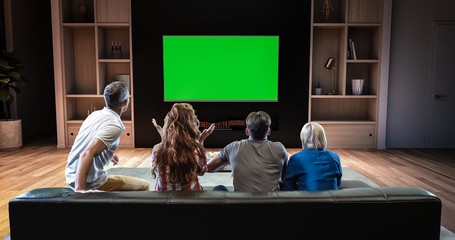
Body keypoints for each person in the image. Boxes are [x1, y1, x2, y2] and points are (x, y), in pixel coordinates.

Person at [65, 81, 150, 192]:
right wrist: (80, 191)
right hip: (88, 183)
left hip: (70, 176)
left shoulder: (94, 114)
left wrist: (107, 152)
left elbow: (90, 143)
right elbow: (86, 153)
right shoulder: (114, 125)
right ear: (125, 103)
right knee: (145, 185)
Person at [207, 111, 287, 191]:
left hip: (241, 203)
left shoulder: (233, 148)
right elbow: (285, 178)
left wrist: (233, 164)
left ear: (246, 131)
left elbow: (208, 167)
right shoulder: (280, 148)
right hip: (271, 203)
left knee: (219, 188)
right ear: (269, 132)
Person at [151, 103, 215, 191]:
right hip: (190, 201)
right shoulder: (197, 151)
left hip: (163, 202)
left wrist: (164, 140)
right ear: (191, 126)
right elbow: (201, 172)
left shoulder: (157, 149)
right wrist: (200, 142)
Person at [282, 122, 342, 191]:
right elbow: (338, 182)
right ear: (322, 137)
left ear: (303, 138)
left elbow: (289, 185)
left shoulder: (296, 158)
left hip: (307, 199)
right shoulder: (334, 157)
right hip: (331, 199)